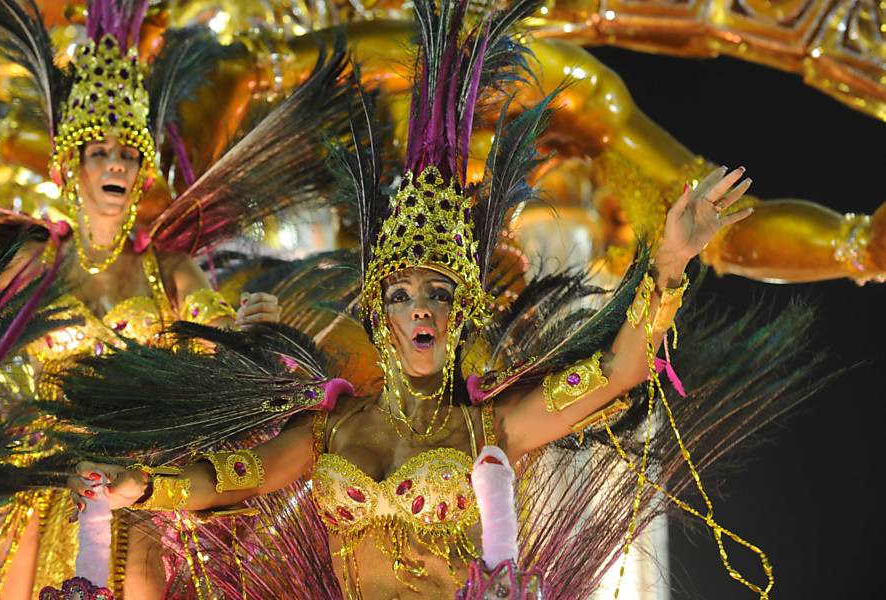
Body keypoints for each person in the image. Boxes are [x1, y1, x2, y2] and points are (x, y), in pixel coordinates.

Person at [62, 2, 781, 598]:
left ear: (459, 312)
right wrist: (137, 487)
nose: (421, 309)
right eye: (402, 295)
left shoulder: (492, 429)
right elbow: (227, 478)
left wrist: (669, 263)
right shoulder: (328, 433)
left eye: (439, 293)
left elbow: (620, 372)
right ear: (380, 317)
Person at [0, 0, 355, 596]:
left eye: (128, 154)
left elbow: (220, 342)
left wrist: (256, 331)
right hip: (46, 480)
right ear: (69, 166)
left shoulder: (170, 271)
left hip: (136, 480)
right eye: (99, 152)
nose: (115, 164)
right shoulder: (29, 265)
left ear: (142, 173)